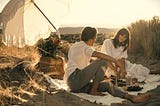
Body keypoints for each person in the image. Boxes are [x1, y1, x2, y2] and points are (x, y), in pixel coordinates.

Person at [64, 26, 150, 103]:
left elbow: (90, 62)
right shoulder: (82, 45)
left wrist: (98, 75)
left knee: (107, 85)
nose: (95, 41)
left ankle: (131, 97)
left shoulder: (76, 47)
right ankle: (93, 90)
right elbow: (98, 55)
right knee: (103, 61)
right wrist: (115, 61)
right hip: (74, 79)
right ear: (90, 38)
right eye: (94, 38)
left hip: (78, 85)